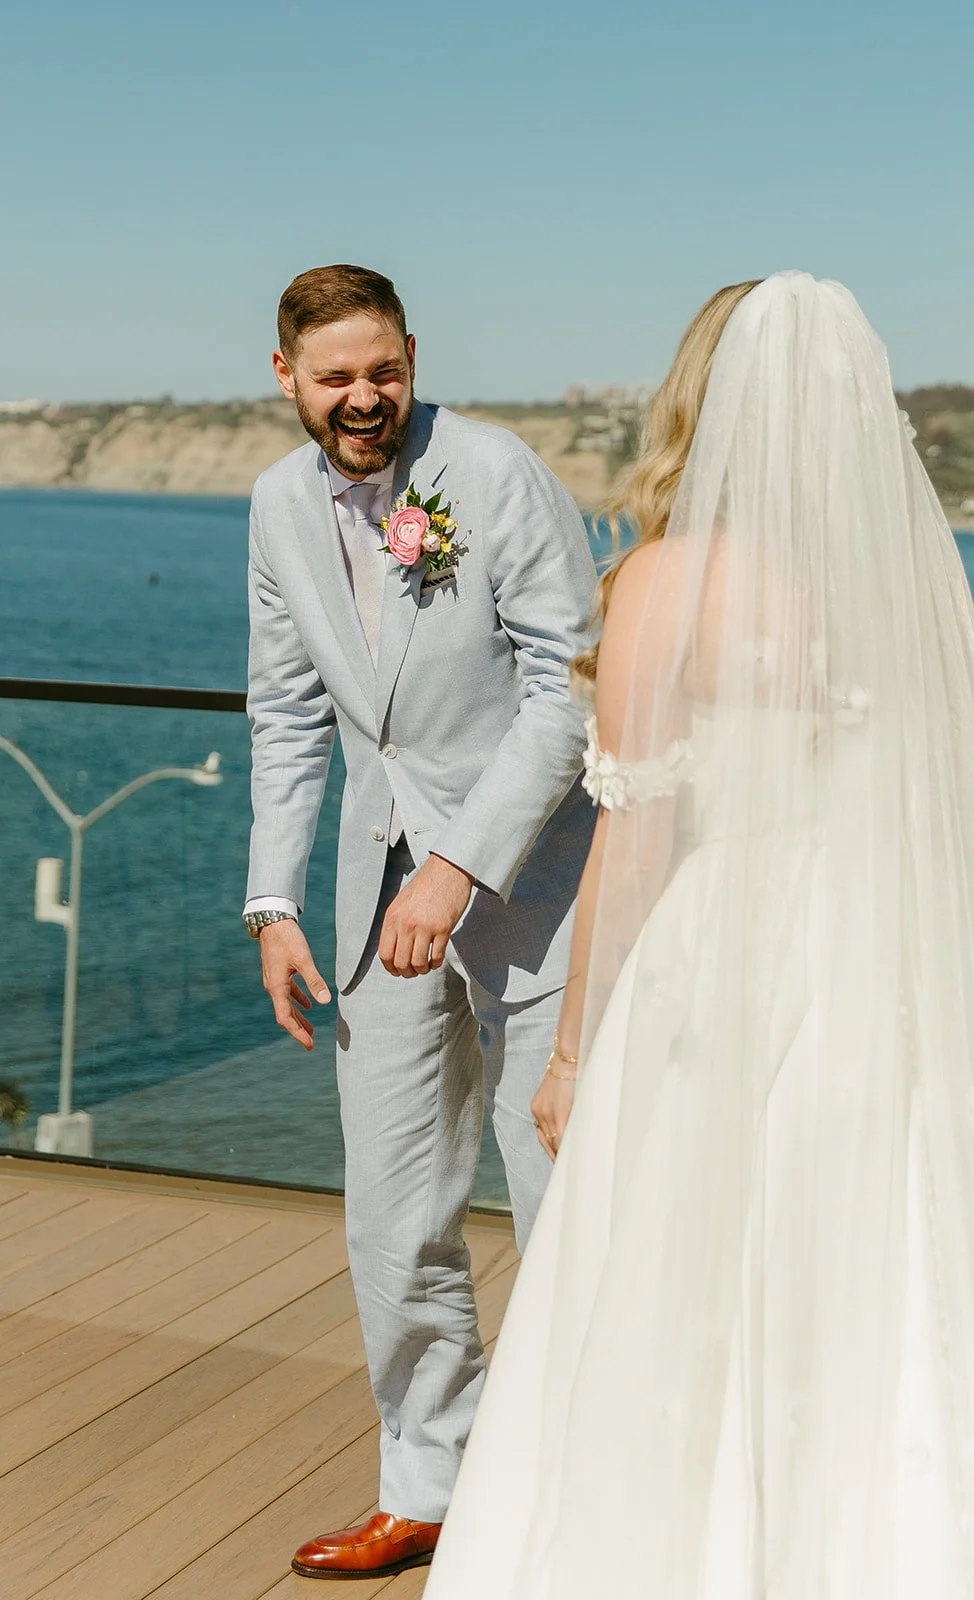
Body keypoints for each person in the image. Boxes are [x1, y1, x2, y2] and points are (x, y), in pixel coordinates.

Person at [423, 272, 974, 1599]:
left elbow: (637, 833)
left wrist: (573, 1044)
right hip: (871, 954)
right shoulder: (880, 586)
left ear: (697, 405)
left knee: (684, 1256)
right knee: (865, 1257)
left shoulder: (667, 579)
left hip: (726, 951)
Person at [242, 264, 598, 1580]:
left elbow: (569, 692)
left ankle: (577, 1484)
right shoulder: (277, 503)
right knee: (392, 1209)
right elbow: (285, 715)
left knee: (557, 1190)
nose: (362, 398)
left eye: (381, 370)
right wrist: (274, 901)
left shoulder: (495, 473)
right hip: (364, 898)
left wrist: (455, 864)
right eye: (334, 376)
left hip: (536, 883)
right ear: (284, 375)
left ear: (409, 358)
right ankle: (427, 1482)